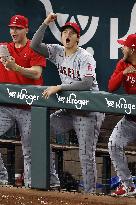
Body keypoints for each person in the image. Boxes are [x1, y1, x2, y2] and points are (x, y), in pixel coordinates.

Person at [31, 12, 104, 193]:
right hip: (70, 110)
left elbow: (87, 83)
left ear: (78, 38)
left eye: (72, 33)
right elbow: (34, 45)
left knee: (85, 155)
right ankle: (53, 181)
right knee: (40, 131)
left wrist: (60, 87)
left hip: (89, 111)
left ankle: (90, 196)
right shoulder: (57, 51)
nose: (67, 35)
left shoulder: (85, 56)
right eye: (65, 32)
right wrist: (46, 23)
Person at [0, 14, 46, 187]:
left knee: (30, 151)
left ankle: (31, 186)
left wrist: (15, 67)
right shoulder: (3, 48)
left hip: (30, 107)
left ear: (26, 29)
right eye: (11, 28)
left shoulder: (35, 48)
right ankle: (2, 179)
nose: (13, 31)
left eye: (18, 28)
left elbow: (36, 73)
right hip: (6, 106)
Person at [108, 34, 136, 196]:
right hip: (130, 120)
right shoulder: (122, 64)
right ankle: (128, 186)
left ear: (132, 49)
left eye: (124, 46)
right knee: (113, 144)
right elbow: (111, 87)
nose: (121, 48)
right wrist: (123, 73)